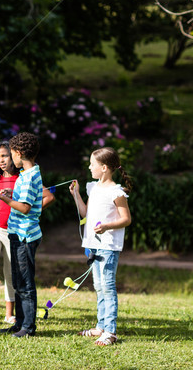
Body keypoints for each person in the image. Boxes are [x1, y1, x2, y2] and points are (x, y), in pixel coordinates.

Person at [0, 140, 55, 329]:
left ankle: (23, 323)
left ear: (17, 154)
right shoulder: (22, 176)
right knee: (9, 276)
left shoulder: (26, 176)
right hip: (9, 231)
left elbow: (29, 206)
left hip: (23, 234)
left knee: (20, 280)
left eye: (7, 154)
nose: (4, 159)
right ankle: (16, 322)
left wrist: (2, 197)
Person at [69, 147, 132, 346]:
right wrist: (76, 194)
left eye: (92, 164)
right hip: (93, 246)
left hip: (108, 246)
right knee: (98, 286)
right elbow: (86, 213)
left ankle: (110, 331)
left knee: (107, 286)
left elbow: (126, 219)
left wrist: (106, 226)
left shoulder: (116, 192)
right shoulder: (93, 188)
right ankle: (101, 326)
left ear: (104, 167)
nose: (89, 167)